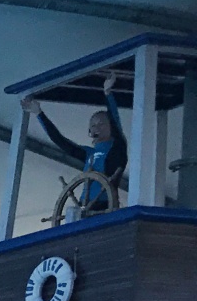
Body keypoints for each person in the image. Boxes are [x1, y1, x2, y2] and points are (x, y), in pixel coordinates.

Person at [26, 75, 125, 218]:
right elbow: (61, 141)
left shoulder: (117, 147)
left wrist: (108, 93)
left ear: (110, 127)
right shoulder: (88, 154)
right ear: (89, 131)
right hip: (84, 207)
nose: (96, 128)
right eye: (93, 125)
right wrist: (39, 113)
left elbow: (115, 120)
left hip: (105, 205)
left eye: (101, 124)